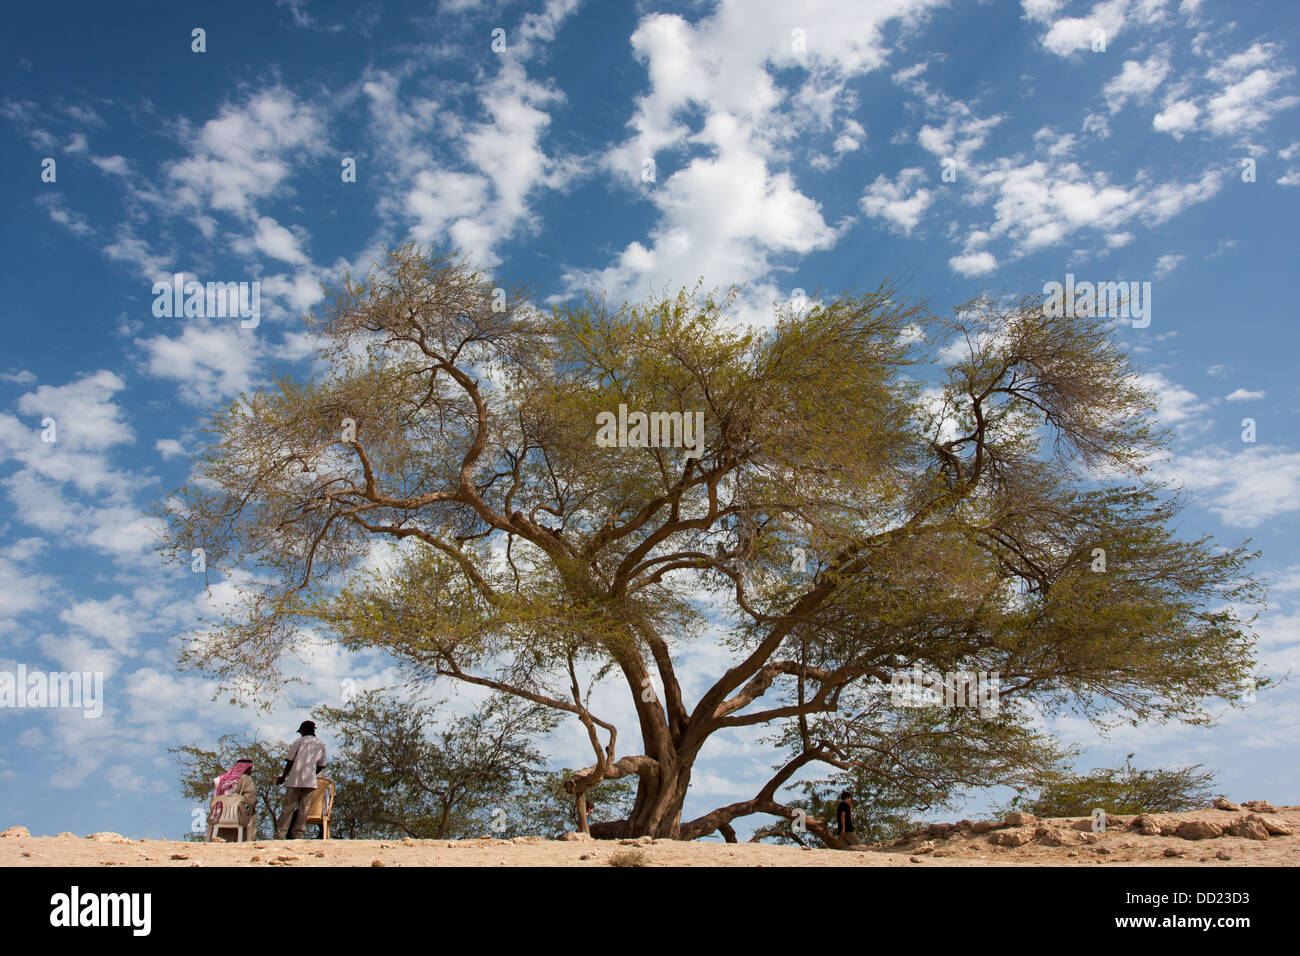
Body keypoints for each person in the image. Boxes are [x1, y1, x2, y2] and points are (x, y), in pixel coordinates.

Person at [274, 720, 327, 839]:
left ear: (303, 730)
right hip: (310, 781)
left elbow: (290, 761)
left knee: (288, 808)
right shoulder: (320, 744)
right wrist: (312, 773)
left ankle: (281, 834)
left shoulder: (299, 741)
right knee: (304, 810)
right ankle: (299, 834)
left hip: (295, 779)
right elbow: (321, 765)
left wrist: (283, 777)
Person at [210, 758, 258, 839]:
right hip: (237, 815)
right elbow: (251, 798)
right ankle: (248, 841)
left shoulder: (221, 779)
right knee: (252, 817)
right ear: (247, 768)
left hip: (219, 815)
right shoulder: (246, 779)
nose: (251, 771)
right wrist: (251, 809)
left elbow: (214, 800)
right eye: (250, 769)